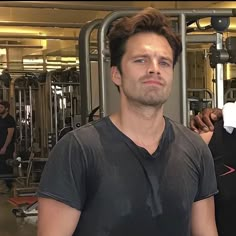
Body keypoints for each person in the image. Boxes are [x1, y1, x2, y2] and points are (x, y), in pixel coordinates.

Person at [37, 8, 218, 236]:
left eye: (164, 62)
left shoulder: (195, 149)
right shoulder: (77, 150)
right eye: (140, 60)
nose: (154, 68)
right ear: (116, 74)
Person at [0, 100, 16, 193]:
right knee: (1, 167)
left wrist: (5, 147)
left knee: (7, 167)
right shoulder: (0, 119)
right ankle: (3, 187)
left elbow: (10, 135)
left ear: (6, 109)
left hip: (7, 148)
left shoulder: (10, 120)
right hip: (0, 146)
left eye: (1, 107)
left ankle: (9, 187)